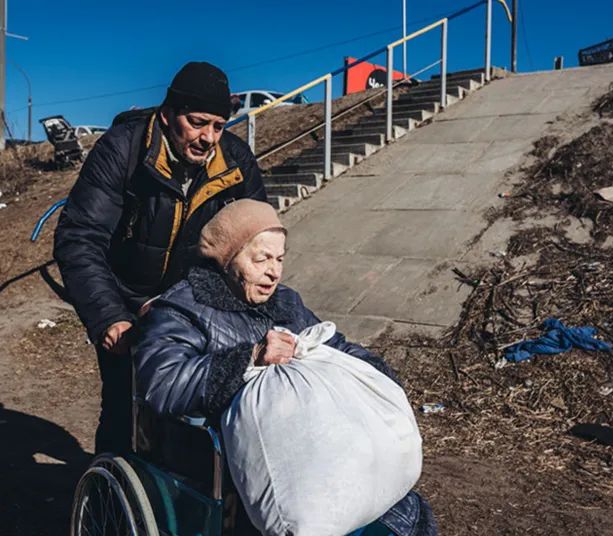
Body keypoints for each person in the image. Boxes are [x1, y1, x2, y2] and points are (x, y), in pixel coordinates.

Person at [134, 200, 437, 535]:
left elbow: (333, 347)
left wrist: (377, 377)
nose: (274, 272)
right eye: (261, 258)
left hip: (308, 441)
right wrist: (249, 358)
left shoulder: (286, 303)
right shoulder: (182, 308)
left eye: (279, 259)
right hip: (219, 457)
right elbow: (161, 383)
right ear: (227, 257)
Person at [53, 61, 267, 454]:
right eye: (198, 122)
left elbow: (259, 236)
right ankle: (108, 503)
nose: (208, 138)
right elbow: (80, 237)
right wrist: (108, 316)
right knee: (124, 409)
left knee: (203, 408)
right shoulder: (123, 149)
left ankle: (179, 502)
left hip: (196, 306)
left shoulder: (235, 161)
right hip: (127, 301)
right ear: (168, 115)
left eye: (218, 126)